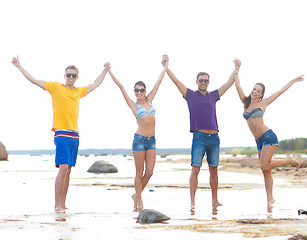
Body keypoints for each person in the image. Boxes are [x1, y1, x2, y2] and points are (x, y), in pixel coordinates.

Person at [12, 56, 109, 212]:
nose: (71, 77)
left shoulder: (79, 91)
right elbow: (35, 81)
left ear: (77, 77)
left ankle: (63, 205)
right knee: (63, 168)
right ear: (64, 76)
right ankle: (57, 205)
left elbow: (95, 84)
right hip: (61, 134)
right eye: (68, 75)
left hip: (74, 135)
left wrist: (105, 70)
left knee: (69, 170)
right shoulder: (56, 87)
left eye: (74, 75)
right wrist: (19, 66)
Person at [162, 56, 240, 212]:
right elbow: (176, 81)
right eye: (201, 80)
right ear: (196, 81)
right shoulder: (190, 95)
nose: (203, 83)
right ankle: (192, 202)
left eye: (206, 80)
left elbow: (228, 83)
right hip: (199, 138)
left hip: (214, 139)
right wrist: (166, 66)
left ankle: (215, 200)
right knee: (195, 170)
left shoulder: (213, 96)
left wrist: (237, 69)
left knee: (214, 170)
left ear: (208, 82)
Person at [233, 58, 303, 210]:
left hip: (268, 137)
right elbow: (237, 84)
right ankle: (270, 199)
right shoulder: (245, 102)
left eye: (258, 91)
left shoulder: (263, 104)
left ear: (261, 95)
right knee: (266, 170)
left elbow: (279, 92)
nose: (254, 91)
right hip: (258, 141)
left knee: (263, 165)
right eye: (254, 89)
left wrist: (292, 80)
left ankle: (288, 160)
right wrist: (237, 68)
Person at [107, 55, 168, 212]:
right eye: (136, 90)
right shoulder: (133, 105)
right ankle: (139, 201)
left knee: (150, 172)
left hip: (152, 140)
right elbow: (121, 86)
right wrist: (109, 71)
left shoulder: (149, 100)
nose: (139, 92)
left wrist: (165, 66)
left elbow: (159, 82)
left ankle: (136, 194)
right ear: (134, 92)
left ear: (145, 91)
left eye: (141, 90)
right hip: (139, 140)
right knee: (139, 172)